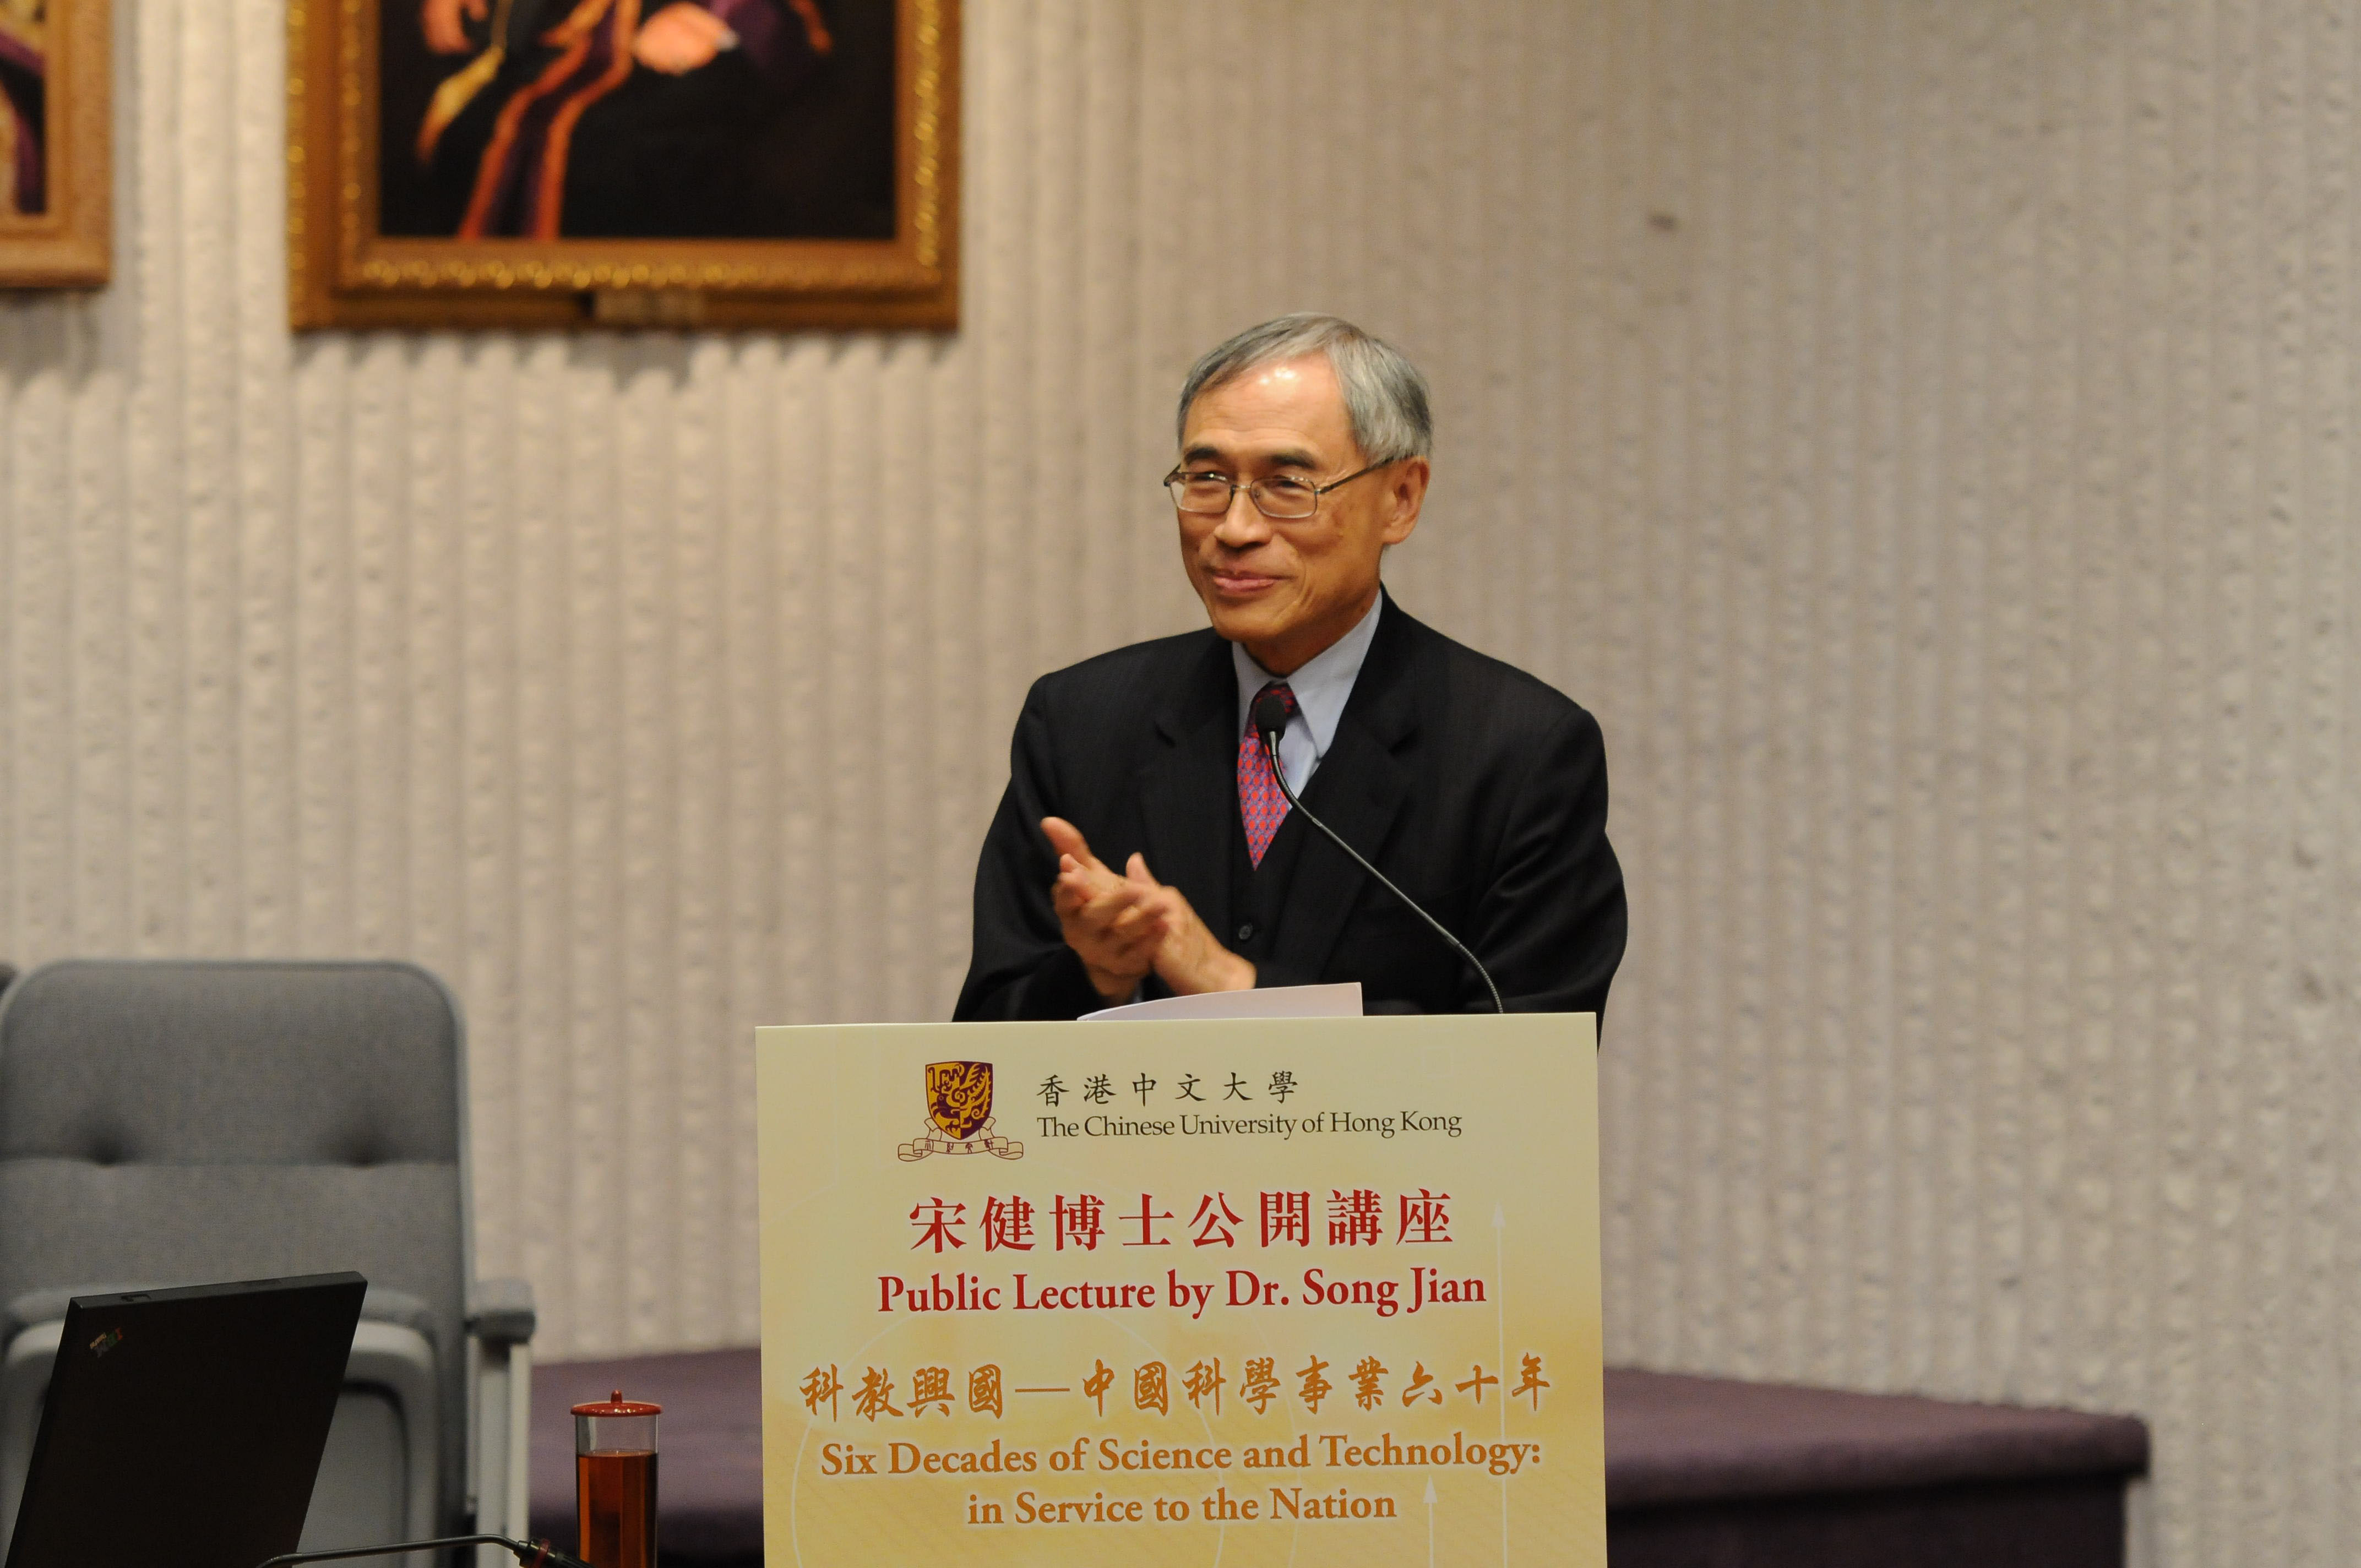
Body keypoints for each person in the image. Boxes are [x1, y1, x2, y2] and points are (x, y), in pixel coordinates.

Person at [954, 314, 1626, 1021]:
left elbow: (1528, 1073)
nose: (1234, 529)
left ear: (1400, 498)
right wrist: (1100, 976)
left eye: (1286, 484)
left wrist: (1232, 988)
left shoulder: (1517, 752)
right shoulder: (1081, 724)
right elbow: (984, 1051)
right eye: (1207, 478)